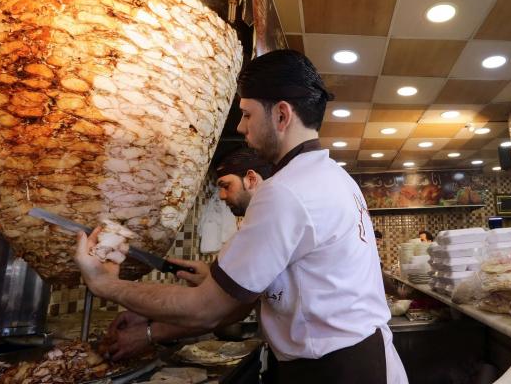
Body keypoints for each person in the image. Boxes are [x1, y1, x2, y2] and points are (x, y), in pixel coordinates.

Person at [75, 50, 407, 383]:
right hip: (360, 359)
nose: (240, 126)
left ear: (281, 115)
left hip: (335, 371)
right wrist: (170, 307)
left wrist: (106, 284)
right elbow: (272, 288)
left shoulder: (285, 191)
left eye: (247, 114)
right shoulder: (333, 176)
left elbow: (205, 310)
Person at [103, 147, 272, 360]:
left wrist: (106, 285)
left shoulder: (264, 225)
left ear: (251, 179)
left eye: (226, 186)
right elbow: (237, 304)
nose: (220, 195)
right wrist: (210, 278)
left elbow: (209, 310)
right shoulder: (261, 221)